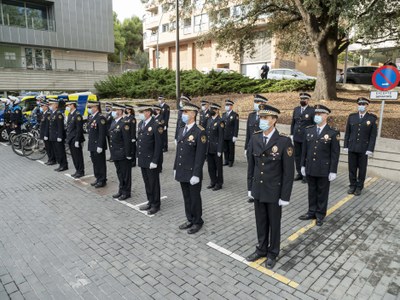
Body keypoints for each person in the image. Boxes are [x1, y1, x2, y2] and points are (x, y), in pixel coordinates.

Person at [245, 104, 294, 269]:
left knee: (274, 223)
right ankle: (261, 249)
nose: (262, 120)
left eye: (265, 118)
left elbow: (288, 172)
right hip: (258, 188)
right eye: (261, 117)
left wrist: (285, 196)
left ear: (274, 120)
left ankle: (273, 252)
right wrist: (250, 187)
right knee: (261, 221)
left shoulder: (284, 141)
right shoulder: (255, 137)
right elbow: (251, 165)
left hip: (274, 191)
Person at [299, 105, 340, 226]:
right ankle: (311, 211)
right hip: (311, 166)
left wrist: (333, 170)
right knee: (311, 191)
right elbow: (304, 151)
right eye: (316, 114)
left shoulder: (332, 132)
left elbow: (335, 154)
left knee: (322, 192)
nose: (317, 116)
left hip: (324, 168)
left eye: (320, 114)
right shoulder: (309, 130)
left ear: (326, 115)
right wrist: (302, 165)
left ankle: (320, 214)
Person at [174, 103, 207, 234]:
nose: (183, 114)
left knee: (194, 198)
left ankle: (198, 221)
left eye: (186, 112)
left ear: (193, 114)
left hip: (193, 172)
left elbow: (200, 155)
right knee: (186, 197)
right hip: (182, 170)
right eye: (183, 112)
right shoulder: (182, 129)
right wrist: (175, 167)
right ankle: (190, 219)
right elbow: (179, 151)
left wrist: (197, 174)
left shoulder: (200, 131)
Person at [343, 97, 377, 196]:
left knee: (362, 169)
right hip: (352, 147)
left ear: (367, 105)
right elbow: (347, 132)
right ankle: (352, 185)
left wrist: (370, 149)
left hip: (364, 148)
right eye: (360, 104)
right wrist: (346, 145)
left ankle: (359, 187)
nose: (361, 106)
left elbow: (372, 136)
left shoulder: (372, 118)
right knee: (352, 168)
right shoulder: (352, 117)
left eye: (363, 104)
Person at [136, 104, 164, 215]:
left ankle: (156, 204)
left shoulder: (156, 125)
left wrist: (155, 161)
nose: (140, 114)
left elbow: (158, 145)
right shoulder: (141, 124)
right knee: (147, 182)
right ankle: (150, 201)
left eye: (142, 112)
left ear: (148, 112)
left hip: (151, 160)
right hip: (143, 158)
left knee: (154, 183)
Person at [245, 94, 268, 202]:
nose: (256, 104)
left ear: (263, 104)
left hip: (260, 148)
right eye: (255, 102)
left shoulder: (266, 117)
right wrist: (246, 147)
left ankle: (260, 192)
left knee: (260, 170)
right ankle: (251, 192)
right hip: (251, 146)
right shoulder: (251, 115)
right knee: (251, 170)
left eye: (258, 102)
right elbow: (248, 133)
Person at [290, 92, 315, 183]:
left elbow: (314, 125)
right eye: (301, 99)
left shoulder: (312, 111)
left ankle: (306, 174)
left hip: (306, 138)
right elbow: (293, 122)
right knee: (297, 156)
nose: (302, 100)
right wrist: (292, 134)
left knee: (306, 156)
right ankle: (299, 173)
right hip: (297, 136)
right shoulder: (296, 109)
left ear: (308, 100)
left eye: (304, 99)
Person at [109, 104, 132, 200]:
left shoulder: (124, 123)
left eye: (116, 109)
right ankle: (121, 190)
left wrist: (128, 154)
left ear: (121, 111)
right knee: (119, 173)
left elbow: (127, 140)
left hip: (122, 153)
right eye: (113, 109)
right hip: (115, 152)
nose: (114, 111)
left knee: (125, 174)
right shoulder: (114, 122)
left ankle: (126, 192)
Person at [87, 101, 108, 188]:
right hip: (92, 144)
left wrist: (100, 145)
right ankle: (98, 177)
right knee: (95, 162)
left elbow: (102, 133)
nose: (89, 109)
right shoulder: (92, 117)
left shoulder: (100, 118)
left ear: (96, 107)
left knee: (100, 163)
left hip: (98, 145)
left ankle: (102, 180)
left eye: (91, 107)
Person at [206, 103, 224, 191]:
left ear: (217, 110)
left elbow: (221, 137)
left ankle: (219, 183)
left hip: (216, 148)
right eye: (211, 109)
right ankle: (213, 181)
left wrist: (220, 149)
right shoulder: (209, 120)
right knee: (210, 166)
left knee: (218, 167)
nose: (211, 111)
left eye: (213, 109)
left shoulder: (220, 121)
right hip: (209, 147)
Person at [65, 100, 85, 178]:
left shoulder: (77, 115)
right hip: (70, 138)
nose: (67, 107)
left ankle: (81, 171)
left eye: (68, 105)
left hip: (75, 139)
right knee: (74, 156)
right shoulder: (70, 114)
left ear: (73, 105)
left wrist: (77, 140)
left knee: (78, 156)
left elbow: (79, 129)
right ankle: (77, 170)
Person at [48, 98, 68, 172]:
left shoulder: (58, 114)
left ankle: (64, 165)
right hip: (53, 136)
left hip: (57, 136)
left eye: (51, 104)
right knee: (56, 151)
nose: (50, 106)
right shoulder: (53, 113)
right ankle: (60, 164)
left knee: (60, 151)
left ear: (56, 105)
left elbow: (60, 127)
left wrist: (60, 136)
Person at [222, 99, 239, 167]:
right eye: (226, 105)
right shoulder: (223, 114)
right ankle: (226, 160)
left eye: (228, 105)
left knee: (231, 149)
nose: (226, 106)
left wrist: (235, 135)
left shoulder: (235, 115)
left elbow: (236, 126)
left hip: (231, 135)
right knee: (225, 149)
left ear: (231, 106)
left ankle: (231, 161)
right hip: (224, 135)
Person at [39, 99, 56, 165]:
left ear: (46, 106)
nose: (41, 107)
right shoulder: (44, 113)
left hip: (47, 134)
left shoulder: (48, 114)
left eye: (42, 106)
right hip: (44, 133)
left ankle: (52, 160)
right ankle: (50, 159)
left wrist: (46, 134)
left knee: (50, 148)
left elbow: (47, 125)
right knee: (47, 148)